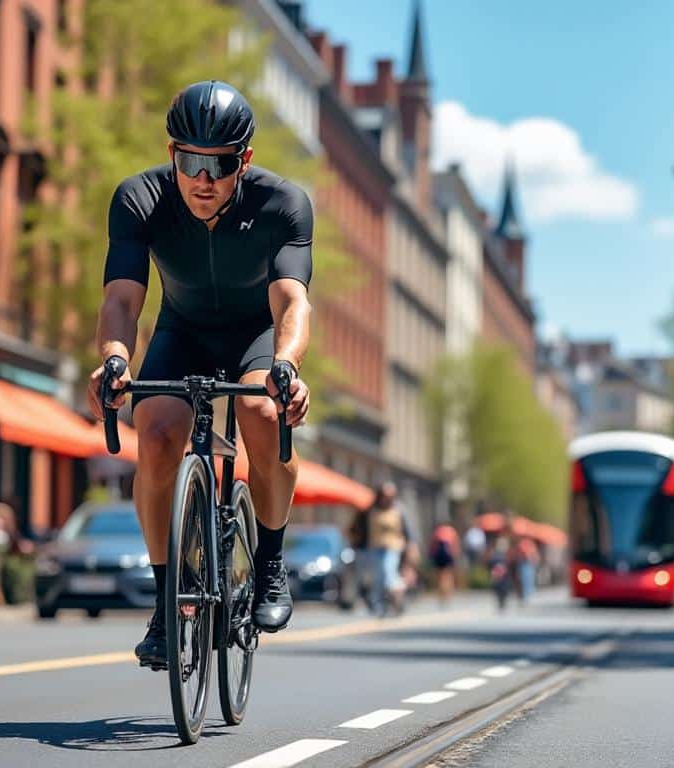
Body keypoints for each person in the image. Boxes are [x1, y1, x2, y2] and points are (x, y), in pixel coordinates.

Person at [89, 81, 314, 670]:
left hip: (255, 336)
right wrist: (116, 357)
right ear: (172, 155)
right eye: (190, 160)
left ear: (246, 160)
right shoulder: (139, 199)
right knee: (157, 431)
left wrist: (286, 366)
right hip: (181, 333)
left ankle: (268, 563)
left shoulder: (282, 204)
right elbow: (120, 300)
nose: (204, 177)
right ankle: (166, 603)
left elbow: (292, 301)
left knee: (262, 412)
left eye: (219, 163)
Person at [366, 482, 411, 616]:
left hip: (393, 547)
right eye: (385, 495)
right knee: (378, 578)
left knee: (388, 572)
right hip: (375, 547)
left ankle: (398, 597)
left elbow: (407, 531)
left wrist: (410, 547)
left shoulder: (398, 511)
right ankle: (379, 605)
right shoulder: (371, 511)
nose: (387, 498)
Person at [429, 522, 461, 607]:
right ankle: (447, 595)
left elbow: (433, 545)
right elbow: (455, 545)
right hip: (448, 556)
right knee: (448, 576)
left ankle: (441, 595)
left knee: (440, 576)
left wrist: (431, 555)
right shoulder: (452, 531)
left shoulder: (437, 531)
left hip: (439, 556)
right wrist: (455, 555)